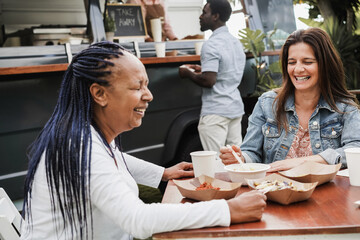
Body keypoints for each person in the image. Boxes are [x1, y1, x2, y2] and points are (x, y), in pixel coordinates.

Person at [20, 41, 266, 240]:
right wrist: (228, 210)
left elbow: (114, 157)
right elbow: (138, 220)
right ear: (99, 94)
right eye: (138, 87)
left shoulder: (83, 136)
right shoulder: (78, 147)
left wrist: (163, 173)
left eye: (146, 85)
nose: (148, 96)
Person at [220, 27, 360, 173]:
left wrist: (303, 162)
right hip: (274, 190)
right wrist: (241, 158)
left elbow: (356, 149)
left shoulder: (345, 108)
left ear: (325, 65)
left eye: (307, 62)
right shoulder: (267, 103)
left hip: (326, 193)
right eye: (292, 62)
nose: (298, 69)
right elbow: (252, 152)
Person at [178, 0, 246, 157]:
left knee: (215, 161)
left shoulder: (212, 44)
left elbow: (208, 81)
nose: (200, 17)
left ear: (215, 16)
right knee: (235, 160)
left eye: (204, 12)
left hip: (216, 112)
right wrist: (202, 69)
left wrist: (186, 73)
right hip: (234, 108)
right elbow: (227, 71)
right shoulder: (235, 42)